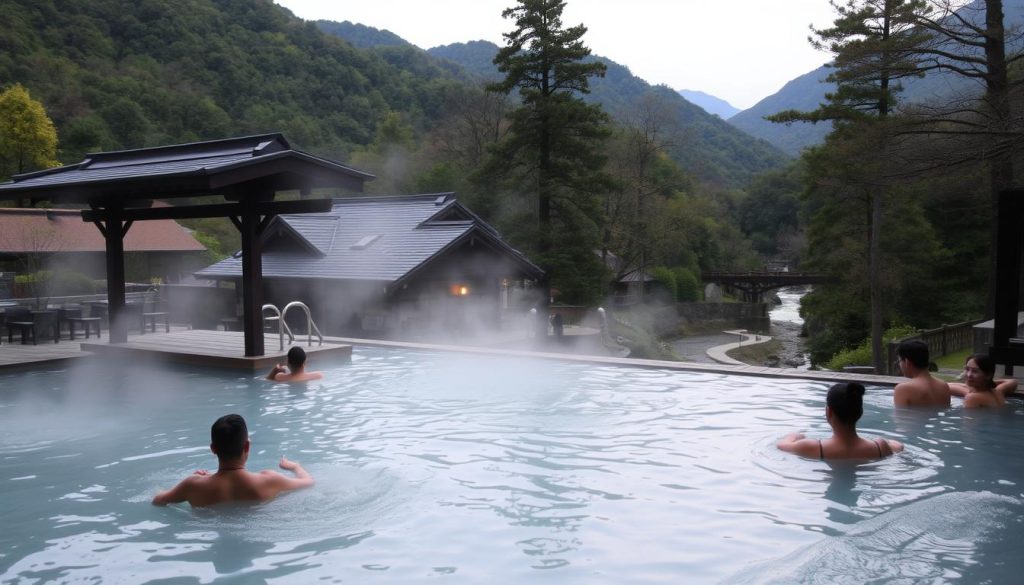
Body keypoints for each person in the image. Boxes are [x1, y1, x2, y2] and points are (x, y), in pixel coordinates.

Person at [152, 414, 314, 507]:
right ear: (247, 447)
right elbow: (308, 482)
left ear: (213, 449)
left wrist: (200, 481)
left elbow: (158, 500)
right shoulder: (269, 480)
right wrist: (295, 467)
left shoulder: (193, 485)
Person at [778, 382, 904, 460]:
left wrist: (796, 435)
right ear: (860, 412)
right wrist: (888, 442)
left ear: (829, 412)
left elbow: (781, 445)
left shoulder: (812, 447)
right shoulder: (879, 446)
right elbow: (899, 446)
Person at [893, 340, 951, 407]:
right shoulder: (944, 386)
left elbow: (900, 416)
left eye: (899, 361)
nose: (899, 364)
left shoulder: (903, 389)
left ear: (907, 362)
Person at [948, 353, 1017, 408]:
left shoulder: (972, 398)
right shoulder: (998, 391)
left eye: (975, 371)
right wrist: (989, 382)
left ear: (988, 375)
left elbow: (970, 425)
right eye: (967, 369)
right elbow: (1012, 382)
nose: (969, 375)